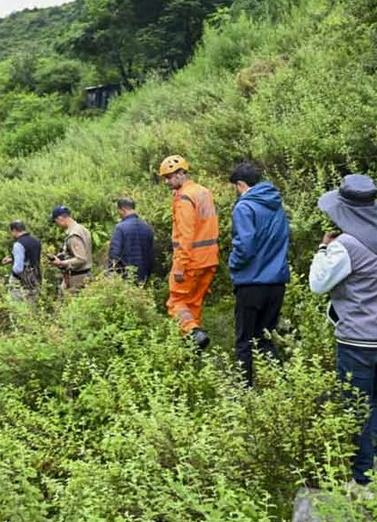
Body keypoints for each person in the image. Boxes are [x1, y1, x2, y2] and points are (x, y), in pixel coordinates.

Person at [309, 174, 377, 486]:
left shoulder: (346, 245)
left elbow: (318, 284)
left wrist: (323, 248)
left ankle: (363, 482)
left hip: (358, 341)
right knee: (376, 395)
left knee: (356, 408)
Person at [228, 162, 290, 387]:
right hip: (277, 282)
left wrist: (233, 265)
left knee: (244, 340)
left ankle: (243, 392)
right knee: (264, 338)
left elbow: (245, 246)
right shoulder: (276, 204)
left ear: (241, 185)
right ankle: (286, 387)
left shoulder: (244, 207)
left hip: (251, 283)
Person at [158, 155, 219, 349]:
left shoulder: (184, 197)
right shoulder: (204, 192)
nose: (167, 182)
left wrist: (180, 266)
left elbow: (186, 235)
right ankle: (193, 348)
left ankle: (194, 333)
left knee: (175, 302)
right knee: (193, 304)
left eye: (169, 177)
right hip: (209, 260)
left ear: (181, 173)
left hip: (191, 262)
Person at [107, 198, 155, 283]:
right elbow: (151, 255)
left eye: (118, 210)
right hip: (143, 276)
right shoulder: (147, 228)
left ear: (123, 210)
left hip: (125, 276)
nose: (118, 213)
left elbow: (114, 254)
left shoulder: (120, 228)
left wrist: (111, 273)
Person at [49, 206, 94, 295]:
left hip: (78, 278)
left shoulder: (73, 235)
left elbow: (81, 259)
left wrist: (61, 263)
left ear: (60, 218)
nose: (56, 225)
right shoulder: (82, 229)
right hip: (86, 275)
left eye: (55, 221)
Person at [2, 220, 42, 303]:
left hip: (22, 282)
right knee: (33, 305)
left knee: (18, 306)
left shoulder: (18, 244)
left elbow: (18, 269)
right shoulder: (36, 241)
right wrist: (12, 259)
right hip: (36, 278)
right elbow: (30, 257)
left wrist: (11, 276)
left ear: (14, 230)